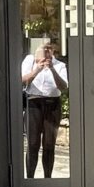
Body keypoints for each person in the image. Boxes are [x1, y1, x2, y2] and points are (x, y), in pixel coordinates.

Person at [21, 43, 68, 178]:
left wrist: (52, 69)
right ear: (38, 49)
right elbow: (22, 80)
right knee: (32, 144)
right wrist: (37, 69)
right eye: (44, 48)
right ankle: (30, 178)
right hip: (34, 103)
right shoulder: (30, 61)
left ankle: (48, 178)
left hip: (52, 104)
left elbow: (63, 87)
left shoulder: (59, 65)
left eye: (50, 48)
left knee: (49, 144)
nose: (47, 51)